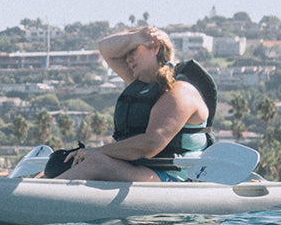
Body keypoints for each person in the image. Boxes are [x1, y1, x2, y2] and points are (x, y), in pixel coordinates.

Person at [47, 26, 216, 182]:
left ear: (155, 48)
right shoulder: (144, 86)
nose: (127, 59)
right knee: (60, 162)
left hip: (174, 179)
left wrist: (96, 151)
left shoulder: (180, 91)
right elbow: (105, 48)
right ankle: (34, 189)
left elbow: (151, 144)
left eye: (132, 51)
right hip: (142, 171)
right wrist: (135, 38)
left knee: (96, 163)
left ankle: (41, 198)